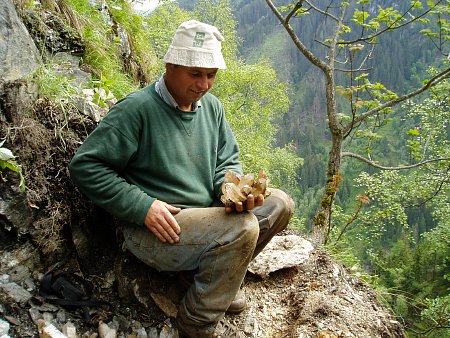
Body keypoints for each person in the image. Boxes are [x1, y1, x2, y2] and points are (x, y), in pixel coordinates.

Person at [69, 19, 294, 338]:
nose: (204, 84)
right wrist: (142, 205)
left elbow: (226, 159)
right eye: (195, 74)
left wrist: (231, 190)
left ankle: (207, 279)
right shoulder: (137, 110)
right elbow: (86, 166)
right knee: (243, 227)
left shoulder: (212, 109)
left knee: (280, 204)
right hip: (158, 229)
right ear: (171, 65)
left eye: (211, 75)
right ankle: (196, 322)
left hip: (207, 220)